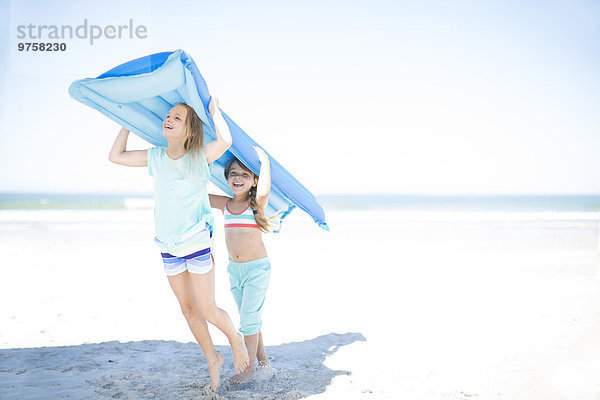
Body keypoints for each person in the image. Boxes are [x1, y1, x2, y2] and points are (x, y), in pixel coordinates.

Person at [108, 98, 249, 392]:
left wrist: (215, 112)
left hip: (196, 241)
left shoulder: (199, 157)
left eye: (178, 118)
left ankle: (235, 339)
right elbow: (116, 156)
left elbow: (225, 140)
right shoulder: (156, 157)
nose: (169, 119)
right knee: (187, 309)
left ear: (190, 131)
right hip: (168, 244)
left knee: (208, 310)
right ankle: (213, 358)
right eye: (168, 116)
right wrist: (126, 125)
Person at [209, 147, 273, 383]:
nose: (238, 178)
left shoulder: (255, 204)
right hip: (235, 272)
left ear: (254, 181)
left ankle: (248, 370)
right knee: (250, 319)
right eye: (233, 173)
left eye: (245, 175)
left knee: (248, 320)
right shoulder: (226, 204)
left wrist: (264, 163)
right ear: (226, 178)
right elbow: (198, 196)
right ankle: (264, 361)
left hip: (256, 270)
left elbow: (264, 191)